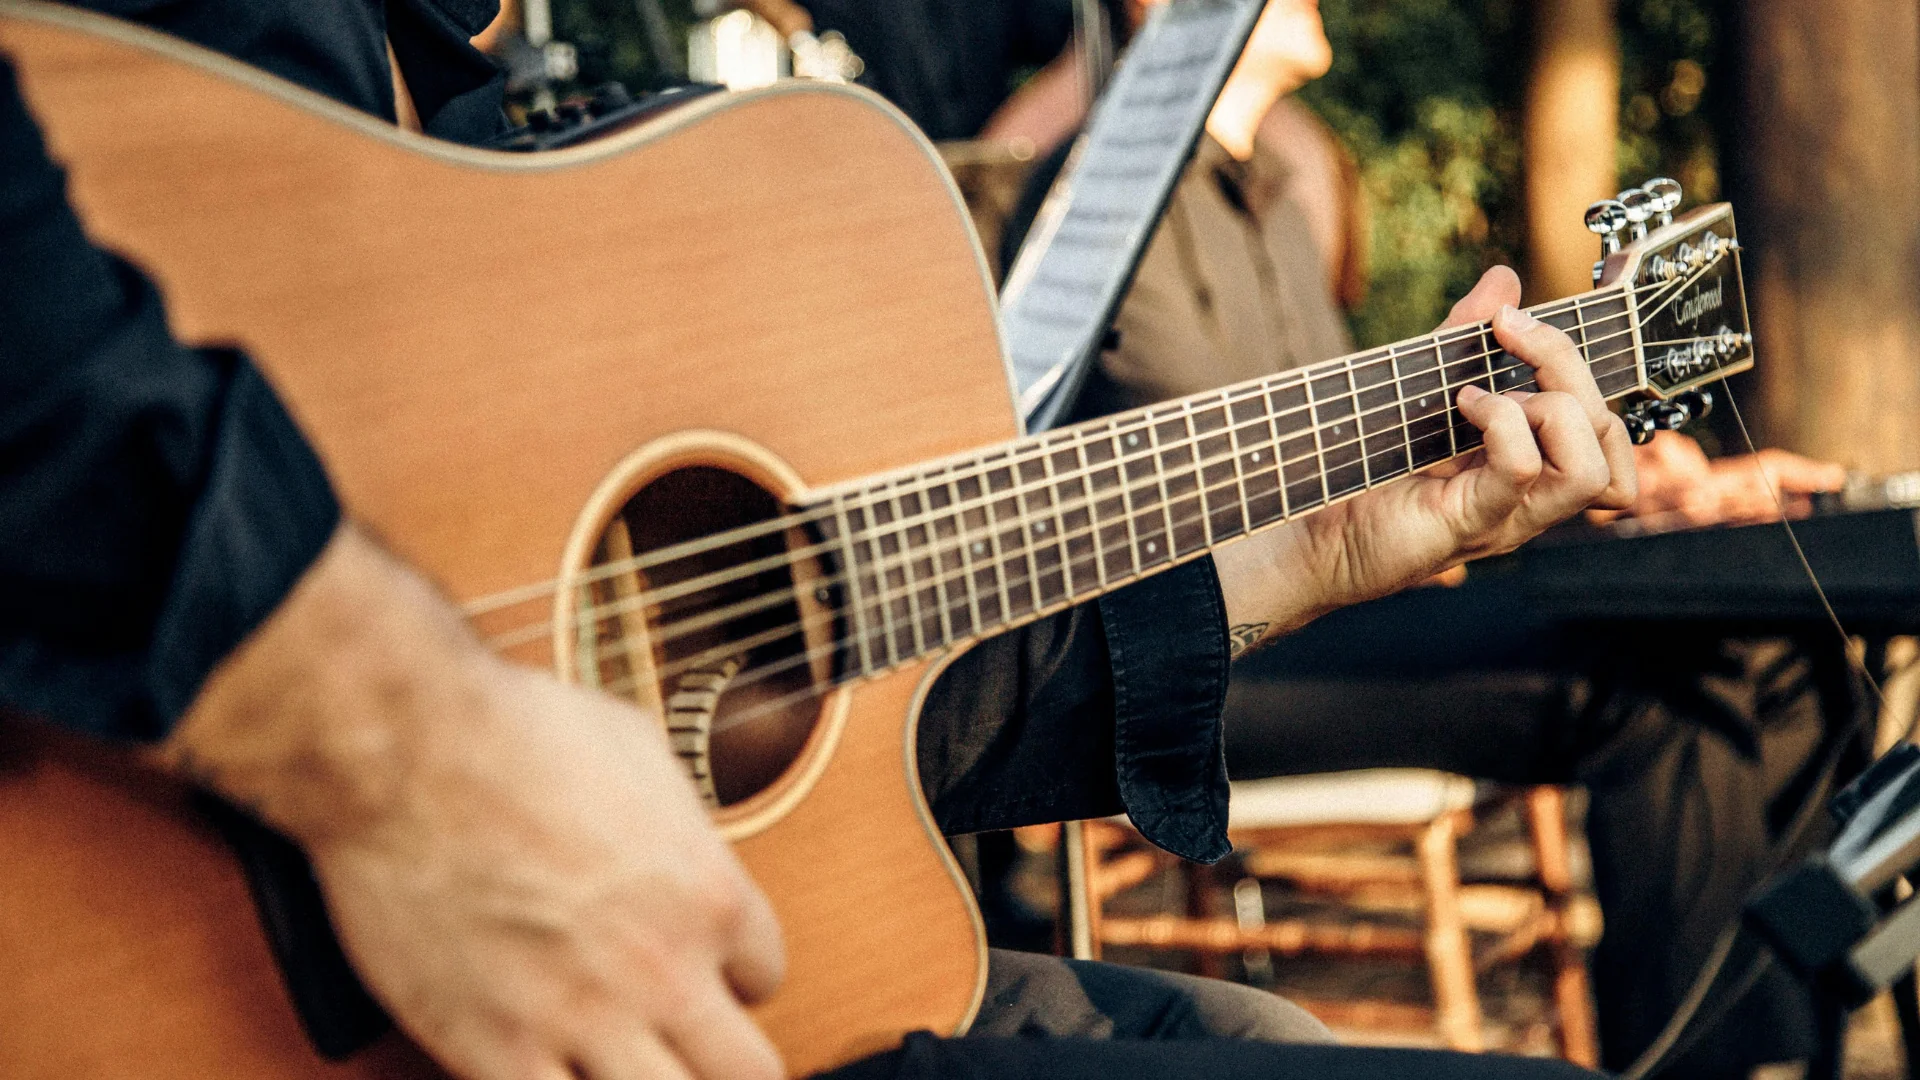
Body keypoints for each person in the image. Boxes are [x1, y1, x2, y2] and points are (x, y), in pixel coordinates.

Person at [0, 2, 1632, 1079]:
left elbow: (801, 683)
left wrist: (1322, 547)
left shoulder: (443, 114)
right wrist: (397, 756)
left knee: (1249, 1033)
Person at [989, 0, 1867, 1075]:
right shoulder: (1107, 209)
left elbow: (1365, 446)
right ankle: (1705, 1065)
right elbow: (1231, 480)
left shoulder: (1273, 198)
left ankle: (1782, 1054)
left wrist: (1606, 486)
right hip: (1212, 646)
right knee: (1665, 682)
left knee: (1778, 650)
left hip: (1354, 598)